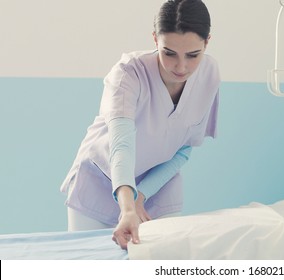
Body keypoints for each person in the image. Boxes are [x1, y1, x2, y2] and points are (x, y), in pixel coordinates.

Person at [60, 0, 219, 250]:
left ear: (207, 42)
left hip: (157, 184)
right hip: (103, 178)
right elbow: (121, 145)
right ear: (155, 39)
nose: (181, 67)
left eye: (192, 55)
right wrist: (128, 205)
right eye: (169, 53)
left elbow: (184, 149)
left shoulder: (209, 74)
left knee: (161, 263)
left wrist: (141, 195)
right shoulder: (128, 73)